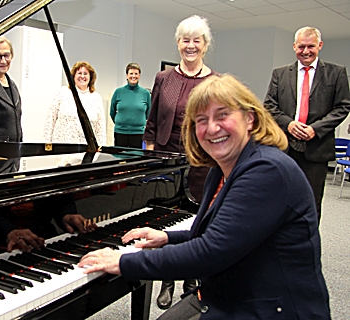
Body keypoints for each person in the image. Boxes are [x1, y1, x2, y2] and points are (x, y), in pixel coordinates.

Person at [78, 74, 331, 320]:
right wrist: (167, 237)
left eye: (223, 115)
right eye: (201, 119)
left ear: (250, 119)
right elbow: (222, 234)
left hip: (270, 307)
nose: (211, 128)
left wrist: (125, 261)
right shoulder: (221, 169)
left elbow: (210, 252)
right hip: (228, 294)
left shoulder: (267, 170)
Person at [143, 15, 218, 309]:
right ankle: (167, 280)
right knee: (164, 216)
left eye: (196, 40)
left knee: (196, 219)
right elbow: (152, 121)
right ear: (178, 43)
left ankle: (190, 278)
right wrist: (150, 157)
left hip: (200, 160)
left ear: (205, 45)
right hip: (165, 156)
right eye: (185, 40)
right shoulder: (164, 78)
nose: (190, 46)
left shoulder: (214, 81)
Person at [264, 26, 350, 223]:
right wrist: (289, 124)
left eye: (311, 46)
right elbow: (269, 105)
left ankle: (306, 246)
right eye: (301, 46)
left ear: (319, 45)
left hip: (316, 150)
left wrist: (315, 129)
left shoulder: (336, 73)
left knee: (310, 202)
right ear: (294, 46)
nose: (306, 51)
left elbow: (342, 107)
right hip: (284, 148)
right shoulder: (280, 74)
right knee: (279, 199)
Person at [43, 61, 106, 145]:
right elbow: (50, 120)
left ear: (90, 77)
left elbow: (100, 127)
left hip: (85, 149)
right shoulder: (62, 93)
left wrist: (100, 148)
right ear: (73, 76)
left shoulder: (96, 98)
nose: (82, 76)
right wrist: (46, 144)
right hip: (61, 148)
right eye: (79, 73)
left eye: (85, 73)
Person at [110, 62, 151, 148]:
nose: (133, 76)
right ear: (126, 75)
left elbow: (149, 113)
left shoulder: (145, 93)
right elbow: (112, 112)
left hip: (138, 133)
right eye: (131, 73)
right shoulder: (118, 92)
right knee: (120, 159)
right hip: (120, 132)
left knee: (135, 159)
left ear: (139, 75)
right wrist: (121, 124)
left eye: (136, 73)